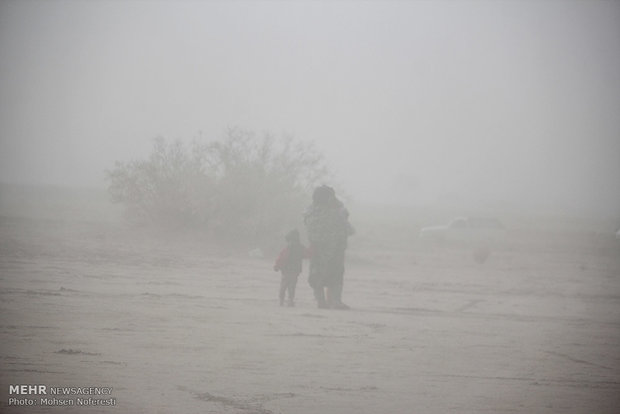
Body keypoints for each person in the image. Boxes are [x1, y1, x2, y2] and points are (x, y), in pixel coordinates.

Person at [304, 185, 354, 309]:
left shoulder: (310, 212)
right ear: (330, 198)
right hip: (335, 250)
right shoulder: (337, 213)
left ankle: (321, 301)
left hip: (317, 249)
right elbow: (349, 229)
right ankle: (335, 301)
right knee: (336, 275)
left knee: (317, 275)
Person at [273, 229, 308, 307]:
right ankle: (289, 301)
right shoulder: (300, 248)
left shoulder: (288, 248)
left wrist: (277, 266)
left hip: (287, 271)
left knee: (284, 286)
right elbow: (307, 254)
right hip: (293, 272)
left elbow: (281, 258)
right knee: (290, 287)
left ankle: (283, 301)